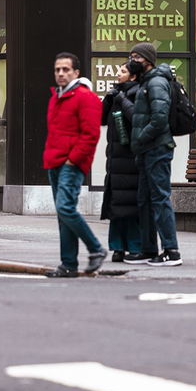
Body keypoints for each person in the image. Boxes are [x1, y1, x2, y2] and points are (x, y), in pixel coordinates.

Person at [43, 52, 107, 278]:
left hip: (72, 163)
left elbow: (90, 135)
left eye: (65, 70)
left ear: (76, 73)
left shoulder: (85, 97)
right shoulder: (56, 98)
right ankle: (68, 264)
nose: (60, 73)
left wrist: (73, 160)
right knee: (63, 214)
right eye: (57, 69)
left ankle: (96, 248)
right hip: (54, 162)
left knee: (65, 208)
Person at [129, 42, 182, 266]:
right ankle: (149, 249)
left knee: (160, 199)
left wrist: (141, 137)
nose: (132, 61)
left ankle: (171, 251)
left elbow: (159, 118)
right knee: (145, 201)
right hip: (147, 150)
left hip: (157, 149)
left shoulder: (157, 82)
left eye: (136, 57)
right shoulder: (146, 82)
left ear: (148, 60)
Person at [101, 60, 146, 262]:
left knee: (131, 206)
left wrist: (121, 98)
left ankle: (135, 246)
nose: (118, 73)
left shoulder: (138, 93)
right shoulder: (115, 94)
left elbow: (137, 118)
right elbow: (101, 119)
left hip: (131, 159)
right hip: (115, 160)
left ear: (133, 76)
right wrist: (109, 100)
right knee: (116, 207)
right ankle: (117, 247)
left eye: (122, 71)